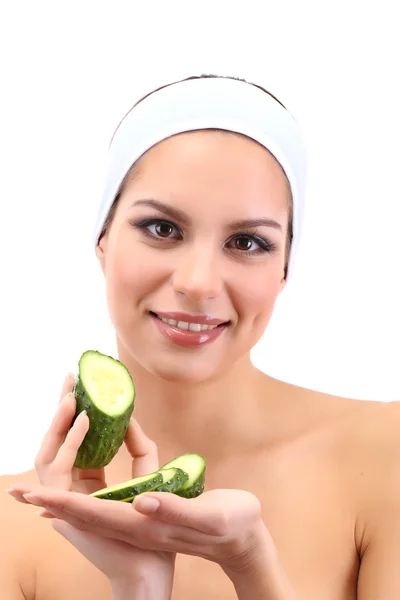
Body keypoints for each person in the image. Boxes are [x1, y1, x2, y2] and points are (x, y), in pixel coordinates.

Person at [1, 73, 400, 600]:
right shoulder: (13, 525)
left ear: (284, 268)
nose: (198, 283)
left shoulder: (386, 455)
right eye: (162, 229)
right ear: (102, 239)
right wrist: (138, 585)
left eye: (248, 241)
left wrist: (252, 564)